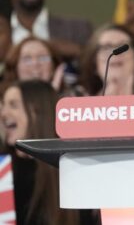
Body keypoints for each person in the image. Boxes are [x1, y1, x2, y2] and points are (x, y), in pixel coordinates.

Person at [0, 80, 84, 225]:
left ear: (38, 112)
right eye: (3, 105)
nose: (3, 113)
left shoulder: (72, 170)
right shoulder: (4, 171)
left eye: (13, 105)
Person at [80, 24, 134, 96]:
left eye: (123, 47)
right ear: (94, 64)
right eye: (106, 47)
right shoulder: (76, 102)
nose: (115, 53)